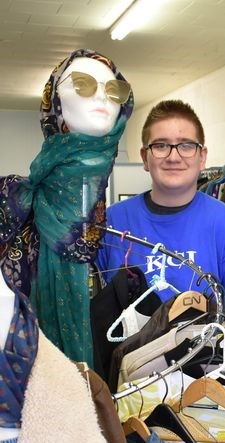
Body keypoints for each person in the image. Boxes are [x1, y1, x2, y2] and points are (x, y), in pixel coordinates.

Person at [0, 48, 133, 365]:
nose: (102, 96)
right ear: (54, 104)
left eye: (114, 89)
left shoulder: (110, 224)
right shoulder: (10, 203)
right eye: (84, 84)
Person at [95, 99, 225, 323]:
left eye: (186, 145)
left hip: (206, 356)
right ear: (144, 157)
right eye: (160, 145)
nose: (173, 157)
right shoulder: (111, 222)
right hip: (125, 355)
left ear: (202, 157)